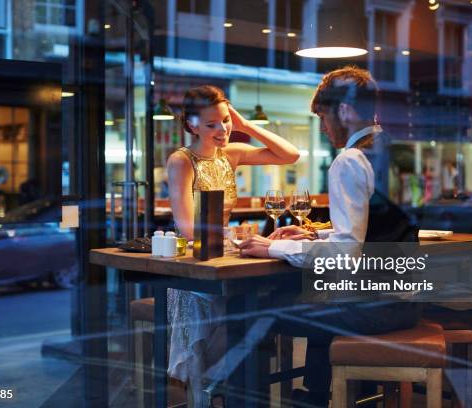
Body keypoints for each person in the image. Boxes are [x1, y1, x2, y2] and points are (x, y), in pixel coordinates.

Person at [239, 66, 421, 407]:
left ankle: (250, 402)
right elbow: (380, 224)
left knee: (251, 309)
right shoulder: (400, 152)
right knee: (322, 292)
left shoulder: (349, 160)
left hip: (373, 310)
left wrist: (274, 247)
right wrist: (312, 233)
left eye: (324, 117)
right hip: (407, 302)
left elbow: (345, 254)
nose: (323, 129)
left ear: (347, 111)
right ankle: (316, 395)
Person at [165, 85, 299, 402]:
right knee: (236, 311)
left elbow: (290, 154)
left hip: (227, 259)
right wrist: (233, 238)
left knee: (254, 308)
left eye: (225, 121)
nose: (222, 130)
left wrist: (247, 126)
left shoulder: (231, 156)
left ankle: (228, 385)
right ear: (192, 125)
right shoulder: (181, 161)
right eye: (212, 124)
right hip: (195, 265)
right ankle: (207, 390)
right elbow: (186, 226)